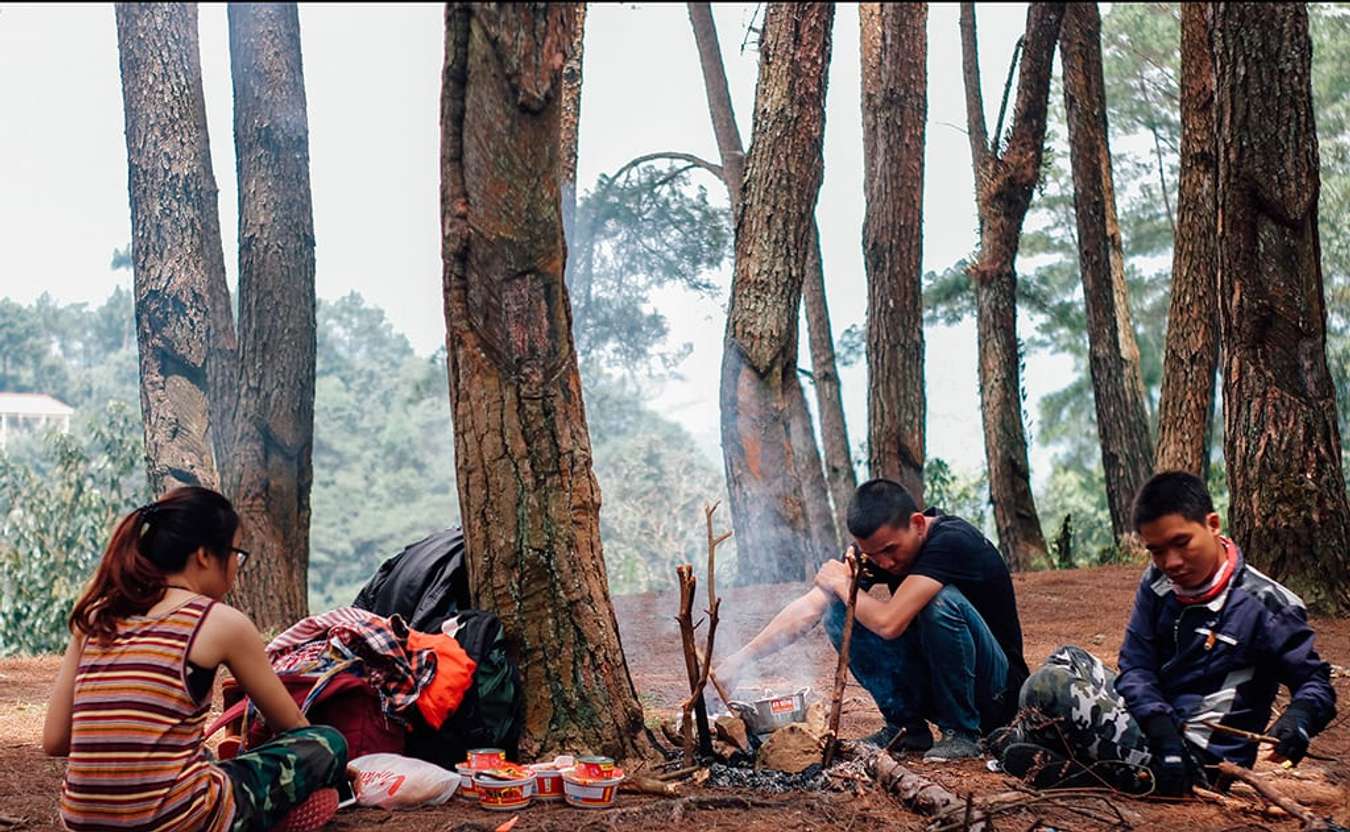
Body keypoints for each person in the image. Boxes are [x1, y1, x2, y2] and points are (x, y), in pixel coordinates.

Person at [997, 471, 1337, 796]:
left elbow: (1314, 682)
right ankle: (1064, 754)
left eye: (1181, 543)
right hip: (1159, 727)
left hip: (1199, 759)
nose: (1171, 562)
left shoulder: (1268, 605)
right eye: (1157, 550)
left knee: (1047, 686)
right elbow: (1136, 665)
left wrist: (1301, 718)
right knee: (1068, 656)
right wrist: (1160, 728)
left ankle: (1086, 766)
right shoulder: (1158, 582)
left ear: (1212, 525)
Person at [43, 486, 349, 832]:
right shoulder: (219, 622)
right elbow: (292, 725)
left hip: (80, 823)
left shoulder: (98, 616)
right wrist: (331, 769)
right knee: (325, 744)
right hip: (179, 821)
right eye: (236, 554)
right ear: (203, 556)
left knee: (205, 761)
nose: (236, 567)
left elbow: (55, 741)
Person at [715, 478, 1030, 761]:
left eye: (891, 551)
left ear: (918, 524)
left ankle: (962, 732)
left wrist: (841, 582)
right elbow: (809, 609)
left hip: (997, 695)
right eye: (875, 555)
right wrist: (740, 659)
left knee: (939, 601)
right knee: (838, 611)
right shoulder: (879, 550)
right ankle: (906, 728)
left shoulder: (952, 542)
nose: (886, 563)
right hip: (942, 680)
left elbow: (889, 623)